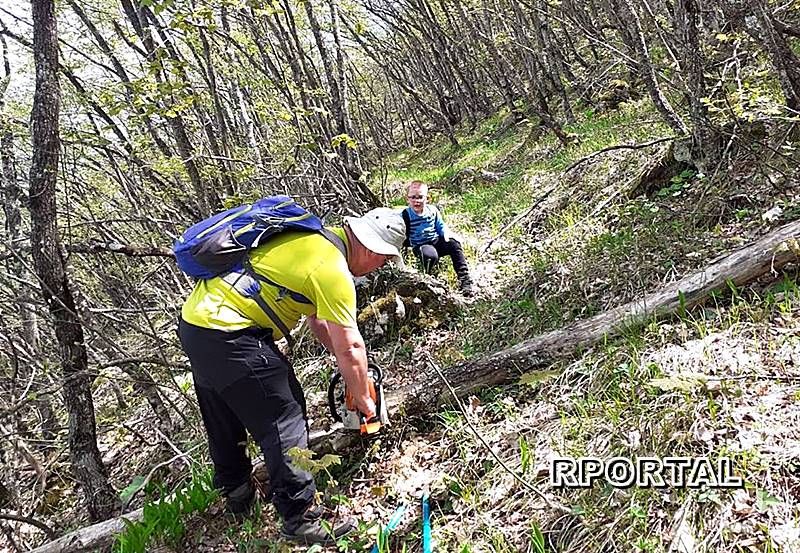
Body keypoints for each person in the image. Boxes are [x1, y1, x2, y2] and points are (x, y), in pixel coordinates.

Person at [177, 207, 406, 545]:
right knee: (284, 416)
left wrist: (343, 363)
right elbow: (351, 346)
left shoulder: (314, 240)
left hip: (196, 325)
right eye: (384, 261)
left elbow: (319, 322)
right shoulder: (332, 269)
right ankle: (301, 517)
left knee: (222, 412)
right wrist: (364, 399)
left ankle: (237, 492)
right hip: (232, 332)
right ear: (374, 250)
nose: (381, 268)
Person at [403, 180, 474, 296]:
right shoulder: (405, 214)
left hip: (435, 240)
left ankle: (465, 279)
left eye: (420, 197)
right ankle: (429, 278)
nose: (417, 201)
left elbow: (441, 226)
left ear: (427, 198)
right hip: (420, 245)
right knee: (430, 256)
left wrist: (447, 234)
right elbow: (401, 232)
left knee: (454, 245)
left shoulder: (432, 211)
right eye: (413, 197)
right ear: (408, 199)